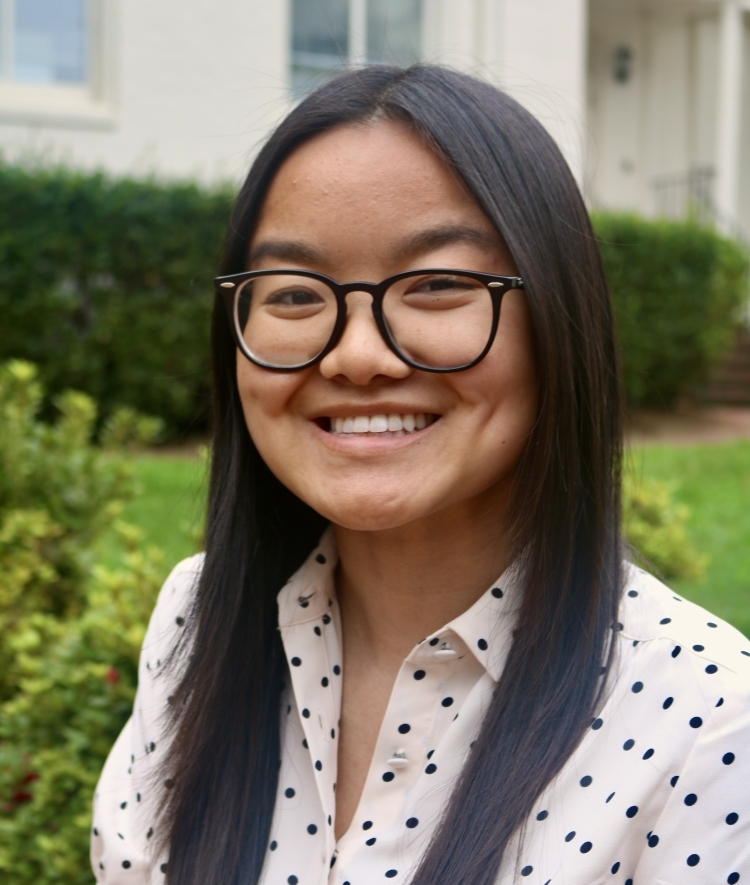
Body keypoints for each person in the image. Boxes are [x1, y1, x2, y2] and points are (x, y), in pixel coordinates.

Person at [91, 65, 750, 885]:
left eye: (438, 284)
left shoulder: (709, 719)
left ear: (558, 319)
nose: (357, 355)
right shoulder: (198, 619)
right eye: (295, 294)